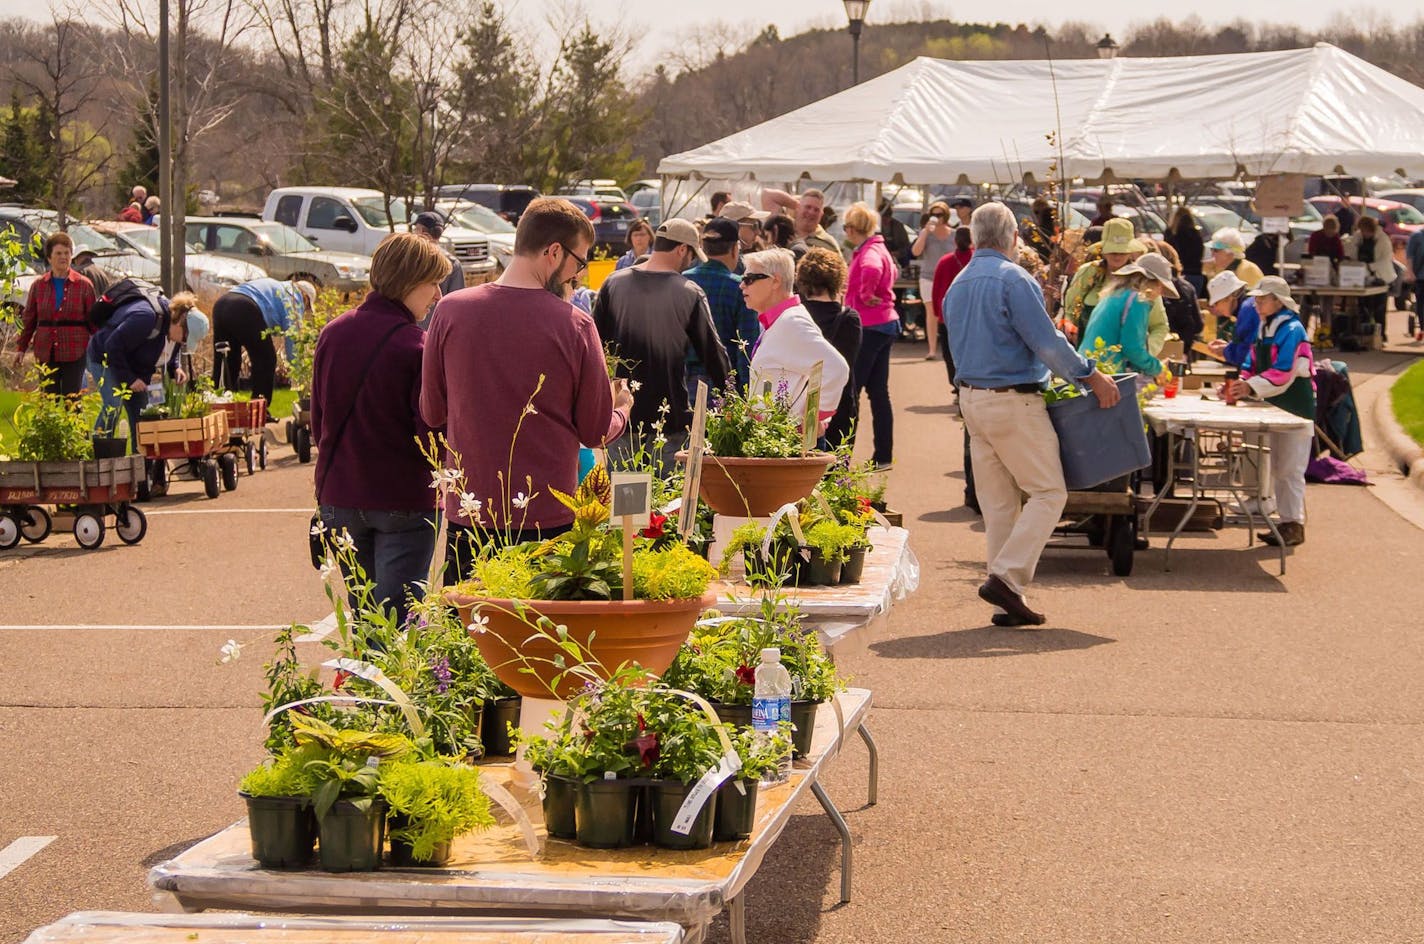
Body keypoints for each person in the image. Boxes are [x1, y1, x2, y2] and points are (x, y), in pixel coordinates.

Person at [421, 197, 632, 574]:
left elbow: (432, 411)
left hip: (471, 508)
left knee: (469, 628)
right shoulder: (575, 325)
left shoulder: (450, 310)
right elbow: (595, 429)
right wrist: (622, 410)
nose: (578, 276)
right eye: (579, 262)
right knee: (540, 629)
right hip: (546, 514)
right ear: (553, 252)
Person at [945, 202, 1121, 627]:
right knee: (1048, 493)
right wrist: (1090, 375)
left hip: (972, 399)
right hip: (1012, 399)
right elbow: (1046, 342)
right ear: (1012, 238)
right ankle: (1007, 580)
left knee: (999, 503)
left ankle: (1008, 589)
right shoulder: (1013, 279)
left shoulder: (959, 282)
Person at [312, 233, 449, 624]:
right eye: (433, 282)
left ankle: (360, 684)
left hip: (340, 496)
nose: (438, 294)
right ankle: (383, 687)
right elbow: (429, 437)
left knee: (366, 620)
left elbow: (319, 421)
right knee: (398, 630)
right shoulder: (416, 347)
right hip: (402, 498)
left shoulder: (332, 333)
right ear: (410, 281)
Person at [593, 218, 730, 471]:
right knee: (667, 502)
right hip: (669, 417)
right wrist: (731, 398)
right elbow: (714, 355)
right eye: (691, 255)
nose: (690, 262)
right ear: (681, 249)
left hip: (622, 417)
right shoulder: (689, 291)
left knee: (624, 506)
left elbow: (593, 348)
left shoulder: (613, 283)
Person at [1223, 276, 1316, 547]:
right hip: (1276, 405)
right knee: (1279, 466)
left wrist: (1249, 386)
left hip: (1296, 407)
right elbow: (1252, 361)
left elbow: (1284, 371)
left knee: (1290, 468)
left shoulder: (1293, 329)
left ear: (1278, 300)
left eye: (1262, 299)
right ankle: (1287, 522)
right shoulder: (1267, 327)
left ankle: (1293, 523)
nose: (1257, 303)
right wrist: (1242, 382)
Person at [740, 248, 850, 434]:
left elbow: (837, 368)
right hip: (778, 438)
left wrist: (810, 420)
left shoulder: (790, 322)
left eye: (749, 279)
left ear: (775, 280)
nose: (742, 285)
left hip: (788, 442)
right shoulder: (784, 320)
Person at [89, 289, 190, 450]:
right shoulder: (145, 318)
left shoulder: (175, 321)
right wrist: (130, 379)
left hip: (133, 366)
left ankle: (141, 463)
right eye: (185, 338)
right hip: (104, 358)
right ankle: (98, 453)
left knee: (143, 414)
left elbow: (170, 349)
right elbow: (112, 346)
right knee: (113, 404)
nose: (183, 342)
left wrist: (175, 368)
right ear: (179, 323)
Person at [842, 201, 899, 470]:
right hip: (885, 323)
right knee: (879, 392)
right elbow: (891, 271)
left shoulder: (868, 253)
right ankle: (883, 454)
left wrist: (865, 294)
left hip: (869, 325)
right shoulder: (880, 247)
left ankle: (842, 456)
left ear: (853, 229)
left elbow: (872, 269)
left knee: (851, 392)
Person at [1060, 219, 1167, 353]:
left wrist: (1145, 353)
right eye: (1113, 251)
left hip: (1128, 363)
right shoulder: (1088, 272)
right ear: (1103, 251)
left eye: (1122, 252)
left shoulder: (1143, 279)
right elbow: (1069, 311)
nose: (1117, 256)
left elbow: (1159, 326)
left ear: (1131, 251)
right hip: (1086, 357)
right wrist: (1069, 327)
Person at [14, 232, 96, 397]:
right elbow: (29, 319)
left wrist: (100, 349)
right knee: (47, 399)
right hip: (46, 349)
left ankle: (73, 423)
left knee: (71, 400)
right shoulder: (39, 285)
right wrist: (21, 348)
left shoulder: (84, 285)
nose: (63, 257)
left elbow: (93, 321)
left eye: (67, 253)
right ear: (49, 257)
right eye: (58, 253)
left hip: (74, 349)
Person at [212, 277, 315, 406]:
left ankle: (217, 405)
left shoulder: (278, 287)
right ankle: (260, 409)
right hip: (244, 306)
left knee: (226, 360)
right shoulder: (294, 296)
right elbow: (293, 342)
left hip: (222, 304)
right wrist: (300, 377)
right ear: (305, 297)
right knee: (266, 359)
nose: (304, 310)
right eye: (307, 307)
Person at [795, 247, 862, 448]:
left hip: (799, 404)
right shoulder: (850, 319)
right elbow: (848, 364)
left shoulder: (796, 316)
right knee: (836, 473)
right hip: (838, 405)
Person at [683, 217, 758, 392]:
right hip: (724, 383)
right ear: (734, 249)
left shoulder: (682, 280)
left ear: (704, 248)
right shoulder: (741, 287)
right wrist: (746, 393)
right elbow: (745, 346)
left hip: (683, 381)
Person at [1077, 252, 1178, 379]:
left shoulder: (1115, 294)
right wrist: (1157, 368)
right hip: (1107, 372)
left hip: (1088, 368)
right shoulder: (1137, 300)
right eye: (1161, 286)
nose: (1160, 292)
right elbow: (1132, 348)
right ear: (1151, 282)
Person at [911, 201, 955, 361]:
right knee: (931, 313)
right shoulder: (927, 234)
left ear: (946, 216)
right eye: (933, 215)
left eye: (939, 215)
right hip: (928, 277)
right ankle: (932, 349)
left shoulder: (954, 234)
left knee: (950, 312)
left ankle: (952, 348)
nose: (936, 218)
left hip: (949, 278)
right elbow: (915, 251)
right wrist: (924, 232)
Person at [931, 226, 974, 386]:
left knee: (950, 354)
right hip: (971, 314)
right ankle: (969, 381)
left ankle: (955, 384)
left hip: (947, 315)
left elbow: (936, 290)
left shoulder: (944, 261)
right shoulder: (976, 259)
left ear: (955, 241)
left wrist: (937, 312)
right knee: (969, 351)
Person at [1345, 215, 1394, 342]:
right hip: (1361, 277)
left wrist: (1369, 266)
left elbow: (1386, 260)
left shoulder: (1383, 239)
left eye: (1365, 230)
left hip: (1381, 277)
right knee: (1363, 308)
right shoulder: (1357, 237)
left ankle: (1381, 335)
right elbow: (1351, 252)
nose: (1363, 233)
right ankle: (1365, 334)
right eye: (1361, 230)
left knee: (1379, 309)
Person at [1153, 240, 1204, 357]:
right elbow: (1198, 325)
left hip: (1159, 349)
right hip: (1182, 351)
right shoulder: (1188, 287)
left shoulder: (1155, 286)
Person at [1205, 270, 1258, 367]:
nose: (1216, 308)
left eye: (1216, 303)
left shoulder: (1247, 310)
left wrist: (1225, 350)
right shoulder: (1249, 305)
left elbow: (1245, 355)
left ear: (1228, 298)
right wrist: (1230, 347)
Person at [411, 211, 466, 300]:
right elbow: (457, 297)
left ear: (421, 230)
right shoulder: (453, 262)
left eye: (415, 229)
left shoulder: (411, 258)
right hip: (442, 313)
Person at [1164, 206, 1206, 294]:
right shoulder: (1196, 234)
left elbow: (1166, 254)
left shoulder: (1170, 234)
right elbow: (1200, 254)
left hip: (1177, 274)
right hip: (1195, 273)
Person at [879, 199, 912, 267]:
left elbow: (907, 245)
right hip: (880, 257)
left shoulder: (898, 226)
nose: (885, 221)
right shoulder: (875, 227)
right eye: (883, 218)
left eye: (887, 217)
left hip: (898, 258)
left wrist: (899, 253)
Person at [1406, 222, 1424, 340]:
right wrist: (1410, 272)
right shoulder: (1416, 236)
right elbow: (1410, 256)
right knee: (1421, 304)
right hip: (1421, 277)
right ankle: (1422, 328)